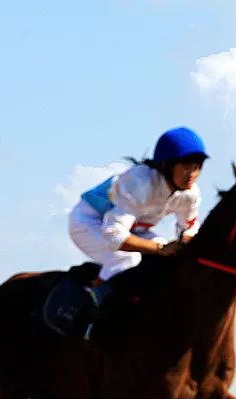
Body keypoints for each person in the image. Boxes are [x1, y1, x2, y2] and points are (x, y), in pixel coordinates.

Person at [68, 126, 208, 305]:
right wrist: (162, 249)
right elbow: (113, 236)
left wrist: (185, 240)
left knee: (171, 259)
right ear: (167, 165)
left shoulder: (190, 194)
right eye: (187, 166)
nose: (192, 174)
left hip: (132, 229)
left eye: (197, 166)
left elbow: (188, 228)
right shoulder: (140, 184)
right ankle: (87, 309)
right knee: (128, 258)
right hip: (88, 223)